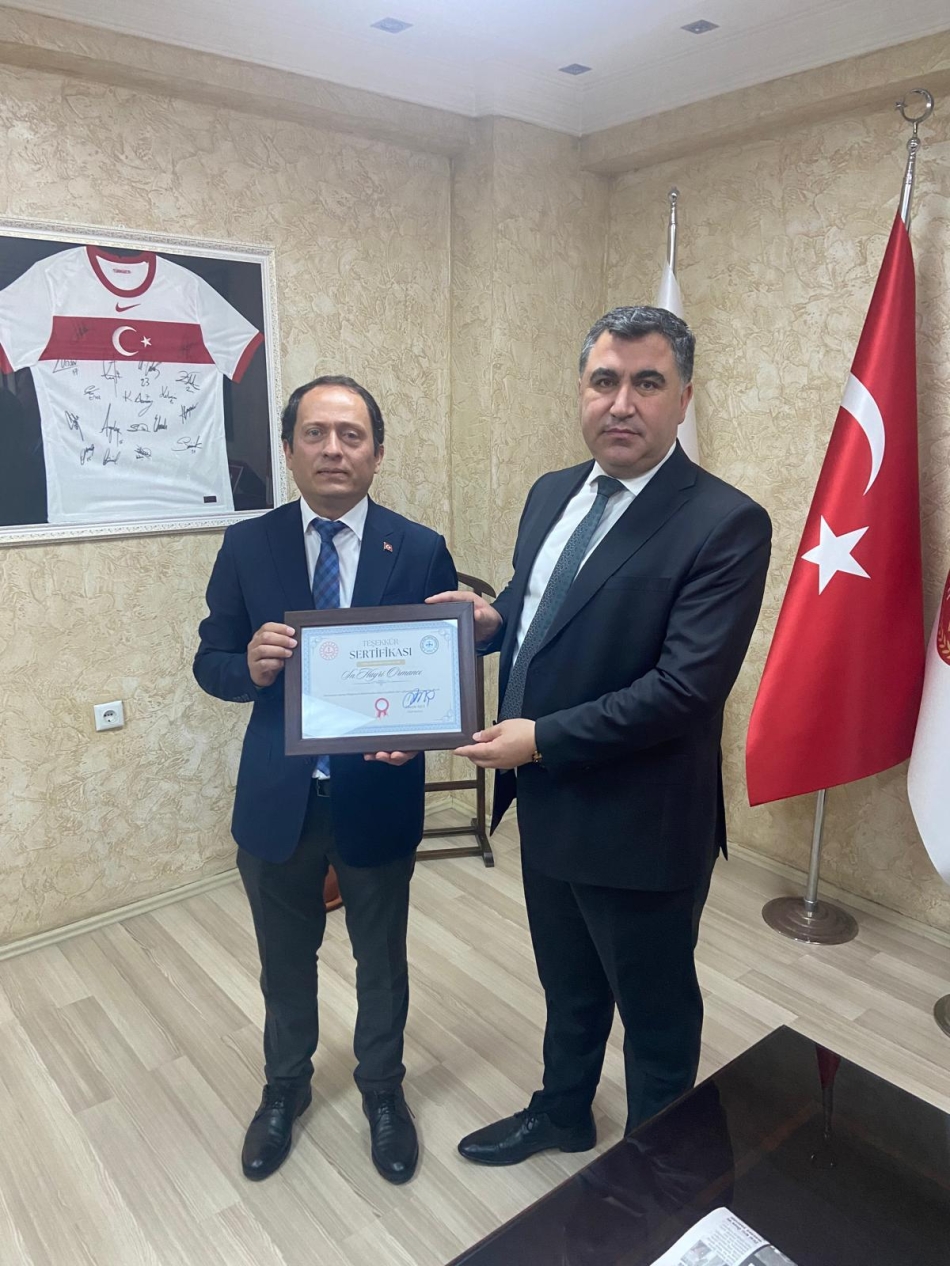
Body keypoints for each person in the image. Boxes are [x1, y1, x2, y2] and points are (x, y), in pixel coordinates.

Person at [428, 306, 771, 1163]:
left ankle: (659, 1169)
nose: (622, 403)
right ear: (581, 391)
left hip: (640, 823)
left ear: (683, 399)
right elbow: (545, 600)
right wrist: (491, 618)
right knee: (569, 987)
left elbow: (684, 690)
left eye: (647, 383)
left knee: (655, 1016)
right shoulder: (553, 491)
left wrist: (538, 738)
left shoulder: (725, 522)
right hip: (548, 804)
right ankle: (563, 1112)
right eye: (605, 381)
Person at [194, 374, 456, 1185]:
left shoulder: (419, 547)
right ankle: (285, 1089)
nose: (333, 449)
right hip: (279, 801)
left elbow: (442, 669)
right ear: (288, 449)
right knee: (284, 961)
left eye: (351, 435)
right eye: (315, 433)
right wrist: (248, 666)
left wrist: (420, 733)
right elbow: (209, 661)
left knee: (382, 960)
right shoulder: (249, 546)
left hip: (378, 796)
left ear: (377, 452)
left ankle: (383, 1090)